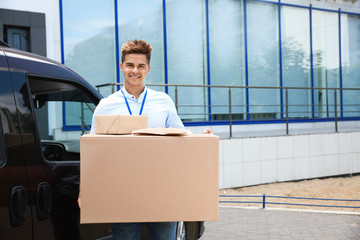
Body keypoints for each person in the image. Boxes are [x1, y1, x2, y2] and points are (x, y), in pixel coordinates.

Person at [78, 39, 211, 240]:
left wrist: (202, 140)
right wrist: (84, 190)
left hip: (162, 189)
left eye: (141, 66)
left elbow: (181, 137)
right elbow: (93, 152)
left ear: (148, 69)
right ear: (121, 66)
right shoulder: (106, 105)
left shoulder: (163, 101)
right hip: (122, 191)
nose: (135, 71)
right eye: (130, 65)